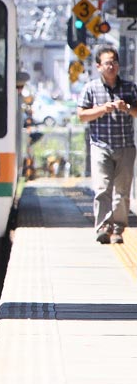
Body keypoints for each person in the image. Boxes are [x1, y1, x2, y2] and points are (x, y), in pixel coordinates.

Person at [78, 46, 137, 244]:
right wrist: (102, 109)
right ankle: (103, 226)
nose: (111, 66)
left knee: (122, 190)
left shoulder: (129, 88)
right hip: (100, 145)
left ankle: (118, 228)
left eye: (114, 62)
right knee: (102, 188)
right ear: (98, 66)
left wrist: (127, 108)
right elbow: (82, 115)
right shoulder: (91, 88)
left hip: (126, 146)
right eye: (107, 63)